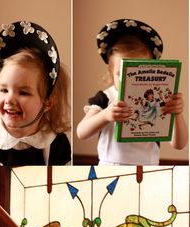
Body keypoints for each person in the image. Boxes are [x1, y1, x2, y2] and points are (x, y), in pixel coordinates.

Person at [76, 19, 188, 165]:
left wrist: (177, 113)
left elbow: (179, 145)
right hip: (110, 167)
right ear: (110, 72)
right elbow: (81, 132)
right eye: (119, 74)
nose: (126, 80)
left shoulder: (159, 98)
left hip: (148, 168)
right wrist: (105, 115)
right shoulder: (105, 97)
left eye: (136, 73)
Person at [0, 20, 71, 166]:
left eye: (23, 92)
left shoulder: (56, 144)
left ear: (48, 101)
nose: (9, 99)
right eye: (4, 90)